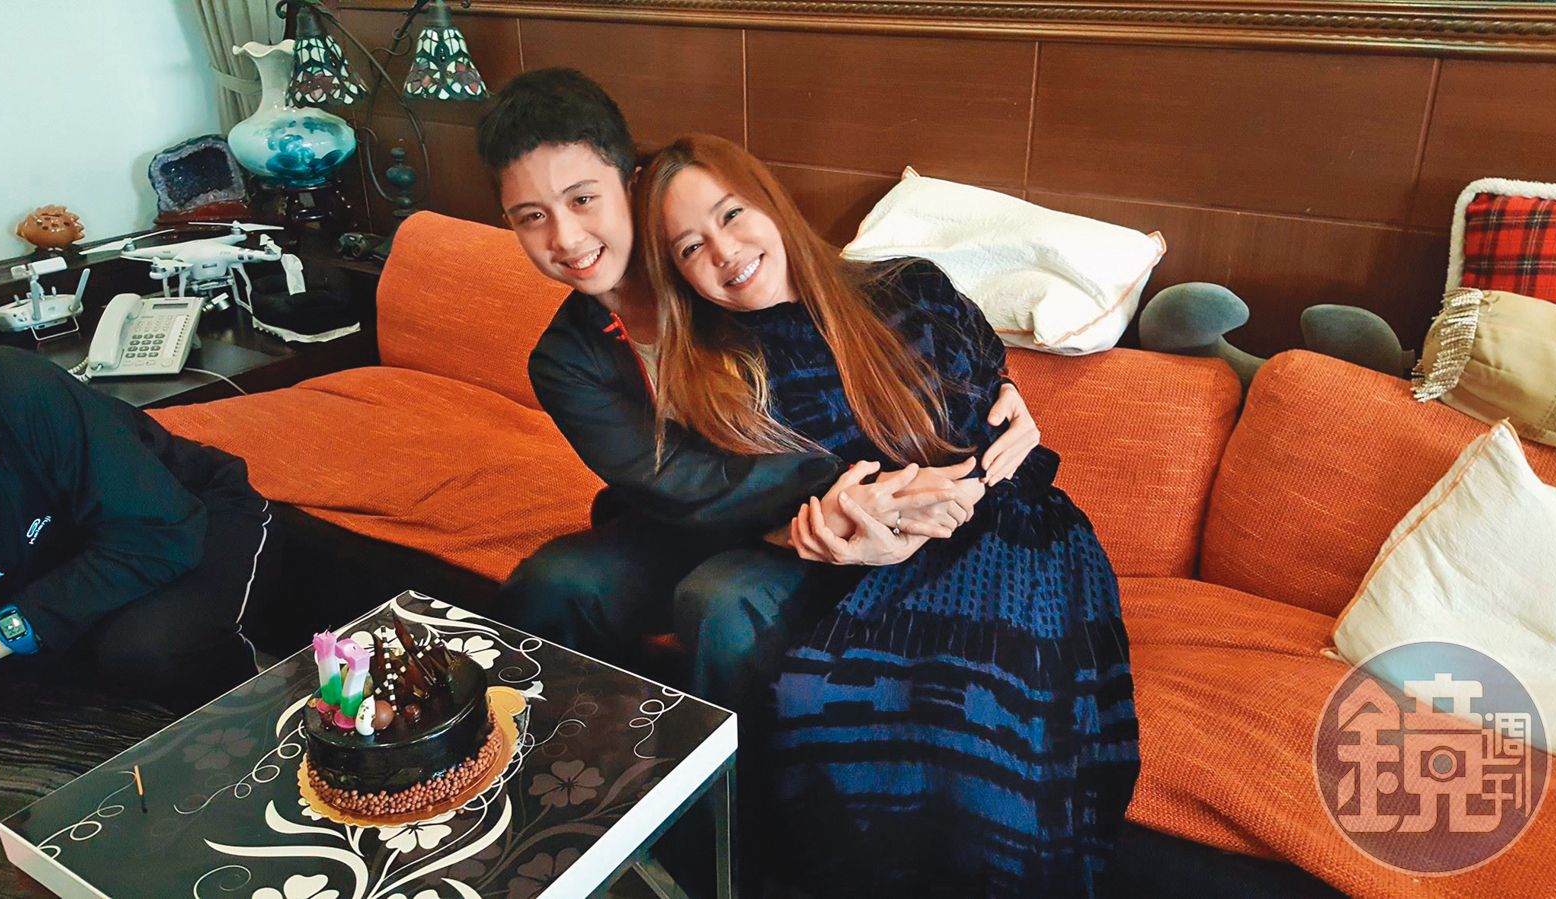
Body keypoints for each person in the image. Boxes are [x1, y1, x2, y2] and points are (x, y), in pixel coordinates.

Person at [639, 133, 1140, 897]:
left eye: (731, 214)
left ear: (770, 201)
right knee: (822, 696)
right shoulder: (716, 374)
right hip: (870, 565)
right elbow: (734, 502)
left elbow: (988, 395)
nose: (724, 251)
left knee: (983, 717)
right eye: (689, 247)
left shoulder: (908, 283)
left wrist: (1009, 410)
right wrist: (826, 530)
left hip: (1016, 530)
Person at [474, 69, 1043, 718]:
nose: (567, 238)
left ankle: (733, 778)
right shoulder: (567, 359)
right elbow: (676, 481)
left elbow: (875, 331)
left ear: (632, 183)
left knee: (723, 602)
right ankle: (546, 753)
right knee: (553, 584)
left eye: (582, 200)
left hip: (817, 510)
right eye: (532, 217)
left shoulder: (728, 275)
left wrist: (998, 390)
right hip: (701, 513)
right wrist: (859, 493)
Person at [0, 347, 277, 713]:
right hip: (66, 557)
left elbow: (159, 534)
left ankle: (267, 720)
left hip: (184, 519)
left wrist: (11, 628)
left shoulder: (20, 389)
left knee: (142, 650)